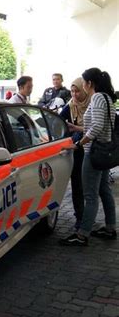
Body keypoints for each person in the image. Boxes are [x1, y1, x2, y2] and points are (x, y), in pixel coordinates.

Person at [60, 68, 117, 246]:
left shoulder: (98, 97)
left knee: (90, 195)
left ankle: (82, 234)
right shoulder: (107, 98)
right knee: (104, 191)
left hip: (94, 153)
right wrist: (77, 129)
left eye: (83, 83)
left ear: (89, 83)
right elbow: (97, 125)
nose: (82, 86)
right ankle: (110, 228)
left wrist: (79, 143)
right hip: (104, 151)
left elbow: (97, 126)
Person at [60, 77, 91, 229]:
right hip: (77, 151)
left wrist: (76, 128)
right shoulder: (71, 105)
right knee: (77, 183)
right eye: (72, 91)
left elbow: (96, 129)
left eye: (77, 90)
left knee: (93, 187)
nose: (74, 94)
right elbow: (58, 121)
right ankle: (80, 218)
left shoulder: (93, 104)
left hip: (92, 150)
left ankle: (92, 221)